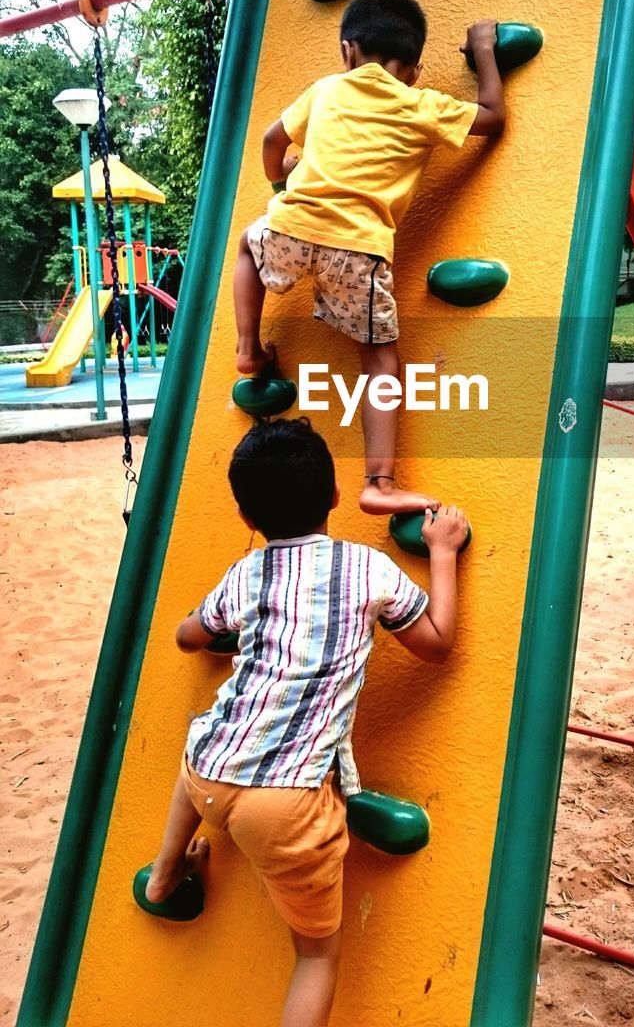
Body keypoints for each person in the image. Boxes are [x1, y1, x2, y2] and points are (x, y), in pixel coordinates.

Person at [136, 418, 468, 1027]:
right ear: (336, 494)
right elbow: (438, 642)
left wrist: (225, 631)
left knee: (208, 736)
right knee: (316, 955)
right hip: (285, 804)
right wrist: (442, 552)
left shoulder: (247, 574)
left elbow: (189, 638)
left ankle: (163, 877)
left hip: (208, 773)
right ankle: (171, 874)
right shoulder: (368, 569)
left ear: (246, 518)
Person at [233, 0, 505, 515]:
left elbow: (272, 142)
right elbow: (493, 117)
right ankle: (378, 483)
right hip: (358, 250)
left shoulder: (327, 89)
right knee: (380, 362)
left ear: (347, 51)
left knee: (249, 242)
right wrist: (483, 47)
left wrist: (279, 183)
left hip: (293, 225)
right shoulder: (422, 104)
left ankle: (247, 348)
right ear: (416, 70)